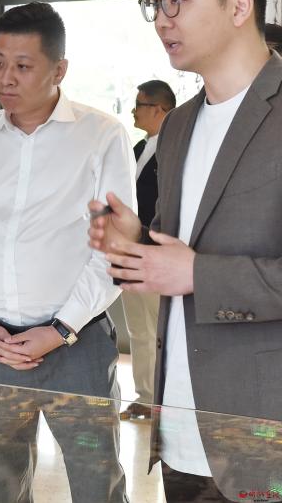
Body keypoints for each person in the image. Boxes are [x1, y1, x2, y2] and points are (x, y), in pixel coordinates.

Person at [91, 0, 282, 502]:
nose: (162, 19)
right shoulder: (177, 125)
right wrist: (136, 242)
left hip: (263, 435)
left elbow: (192, 268)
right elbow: (178, 253)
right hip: (179, 432)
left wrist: (198, 274)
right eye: (155, 3)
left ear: (239, 5)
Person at [0, 2, 133, 503]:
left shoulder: (101, 136)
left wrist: (61, 329)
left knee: (97, 485)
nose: (6, 78)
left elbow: (113, 251)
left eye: (23, 65)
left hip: (76, 347)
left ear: (59, 70)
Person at [120, 79, 174, 421]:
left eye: (139, 105)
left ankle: (163, 400)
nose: (133, 111)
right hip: (129, 252)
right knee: (138, 329)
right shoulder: (139, 147)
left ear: (159, 109)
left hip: (156, 252)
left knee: (158, 329)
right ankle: (144, 396)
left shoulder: (175, 146)